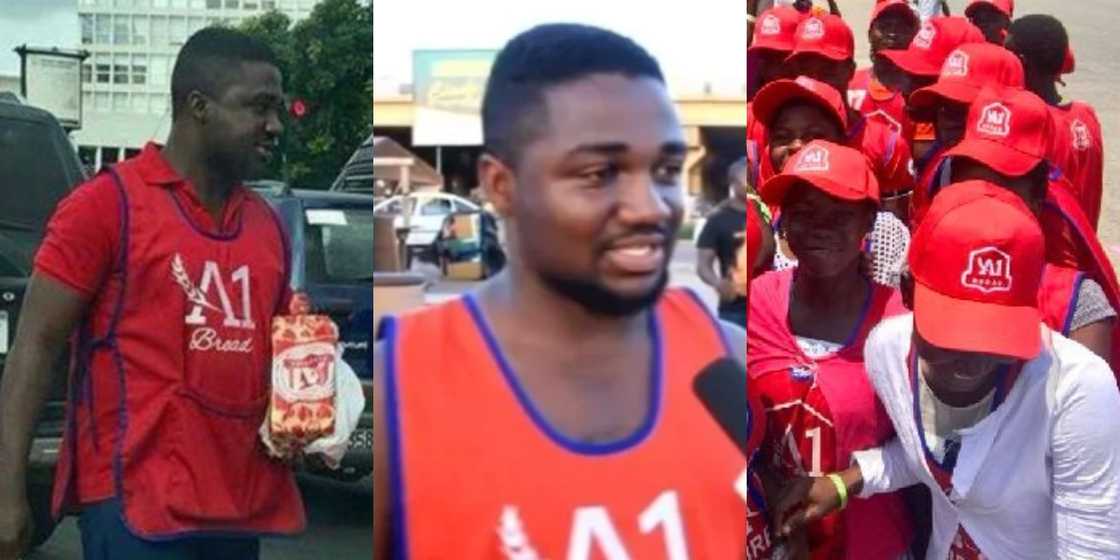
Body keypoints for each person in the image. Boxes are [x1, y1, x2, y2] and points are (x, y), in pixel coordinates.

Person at [372, 23, 764, 559]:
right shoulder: (403, 389)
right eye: (600, 172)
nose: (651, 206)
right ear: (500, 186)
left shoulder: (727, 363)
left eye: (667, 169)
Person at [0, 28, 302, 560]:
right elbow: (34, 348)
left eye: (278, 109)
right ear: (198, 107)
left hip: (236, 505)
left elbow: (284, 357)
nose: (274, 126)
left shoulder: (266, 225)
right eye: (258, 107)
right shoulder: (105, 206)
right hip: (132, 505)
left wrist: (314, 415)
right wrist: (7, 498)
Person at [774, 182, 1120, 559]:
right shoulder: (887, 351)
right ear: (907, 291)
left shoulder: (1077, 389)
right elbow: (932, 454)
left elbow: (1092, 547)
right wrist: (844, 483)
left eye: (997, 335)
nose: (973, 359)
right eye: (953, 333)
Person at [749, 140, 914, 558]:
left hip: (874, 545)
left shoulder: (899, 323)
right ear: (784, 222)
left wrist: (844, 483)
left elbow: (929, 448)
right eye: (804, 212)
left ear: (867, 223)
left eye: (839, 213)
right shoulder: (753, 305)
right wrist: (775, 491)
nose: (820, 226)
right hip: (773, 541)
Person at [938, 86, 1119, 368]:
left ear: (1037, 196)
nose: (985, 197)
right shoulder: (930, 254)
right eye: (972, 179)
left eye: (1003, 184)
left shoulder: (1071, 286)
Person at [752, 76, 912, 287]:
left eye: (813, 135)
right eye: (783, 136)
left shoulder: (883, 232)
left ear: (841, 141)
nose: (797, 146)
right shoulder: (758, 222)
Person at [779, 13, 917, 220]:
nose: (816, 81)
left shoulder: (887, 144)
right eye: (805, 70)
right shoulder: (780, 142)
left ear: (850, 71)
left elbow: (897, 228)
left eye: (828, 70)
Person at [905, 41, 1025, 227]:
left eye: (963, 110)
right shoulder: (939, 165)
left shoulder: (1032, 200)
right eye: (944, 107)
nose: (947, 121)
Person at [1005, 15, 1105, 229]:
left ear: (1022, 62)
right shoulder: (1086, 116)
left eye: (1008, 54)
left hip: (1051, 255)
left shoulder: (1032, 121)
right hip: (1084, 248)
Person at [878, 16, 986, 165]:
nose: (906, 89)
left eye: (920, 79)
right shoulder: (941, 151)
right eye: (907, 75)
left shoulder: (974, 167)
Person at [848, 0, 920, 139]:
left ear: (913, 37)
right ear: (870, 34)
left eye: (902, 28)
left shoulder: (920, 95)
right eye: (885, 26)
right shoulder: (849, 86)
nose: (892, 34)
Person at [697, 158, 750, 328]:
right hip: (734, 311)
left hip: (768, 307)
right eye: (746, 177)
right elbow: (703, 265)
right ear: (733, 183)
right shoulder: (717, 220)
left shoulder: (767, 213)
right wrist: (718, 283)